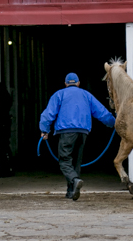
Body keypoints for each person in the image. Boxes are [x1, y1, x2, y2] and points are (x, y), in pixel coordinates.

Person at [39, 72, 116, 201]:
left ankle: (75, 180)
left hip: (66, 131)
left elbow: (48, 114)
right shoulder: (86, 95)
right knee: (76, 162)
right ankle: (71, 191)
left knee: (64, 160)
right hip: (83, 132)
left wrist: (44, 130)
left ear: (65, 84)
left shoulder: (59, 94)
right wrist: (114, 123)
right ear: (78, 83)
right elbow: (101, 112)